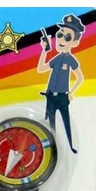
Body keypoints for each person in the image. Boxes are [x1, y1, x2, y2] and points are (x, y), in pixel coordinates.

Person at [37, 13, 85, 153]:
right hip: (50, 96)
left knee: (66, 123)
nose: (61, 39)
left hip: (63, 97)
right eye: (60, 35)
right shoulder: (57, 58)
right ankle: (52, 149)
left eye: (67, 37)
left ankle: (70, 147)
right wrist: (45, 50)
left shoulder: (71, 59)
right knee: (50, 125)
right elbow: (41, 69)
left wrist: (71, 92)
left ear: (75, 42)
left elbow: (80, 77)